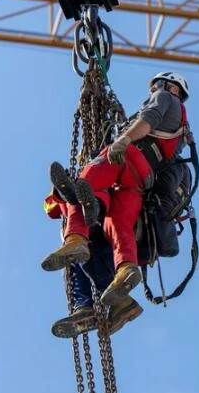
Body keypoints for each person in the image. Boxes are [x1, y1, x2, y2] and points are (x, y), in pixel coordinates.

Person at [40, 71, 190, 308]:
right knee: (116, 222)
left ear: (174, 89)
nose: (154, 90)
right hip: (140, 182)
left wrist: (124, 139)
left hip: (132, 158)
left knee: (88, 178)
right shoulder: (181, 132)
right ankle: (126, 270)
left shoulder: (165, 98)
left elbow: (148, 119)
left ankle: (76, 235)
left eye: (159, 85)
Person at [43, 192, 144, 338]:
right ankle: (96, 306)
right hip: (105, 231)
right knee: (75, 260)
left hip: (107, 228)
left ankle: (118, 302)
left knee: (83, 253)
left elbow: (51, 209)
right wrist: (60, 192)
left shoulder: (104, 175)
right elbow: (50, 209)